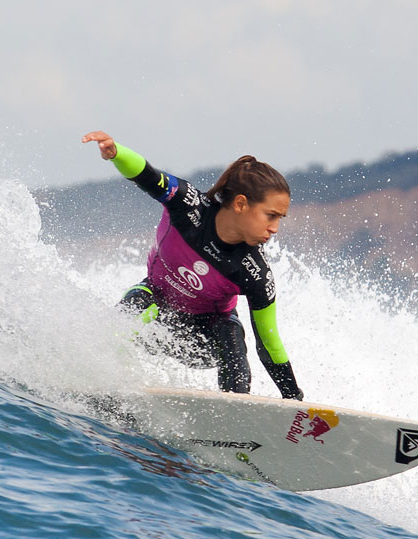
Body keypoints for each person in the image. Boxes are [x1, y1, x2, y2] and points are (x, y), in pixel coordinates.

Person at [82, 131, 303, 401]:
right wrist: (117, 153)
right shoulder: (188, 206)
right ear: (241, 204)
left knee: (231, 334)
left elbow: (269, 344)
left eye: (280, 218)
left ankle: (235, 408)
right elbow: (147, 175)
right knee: (136, 306)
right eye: (271, 216)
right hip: (156, 315)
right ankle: (101, 385)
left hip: (203, 340)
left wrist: (294, 401)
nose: (275, 228)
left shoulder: (254, 271)